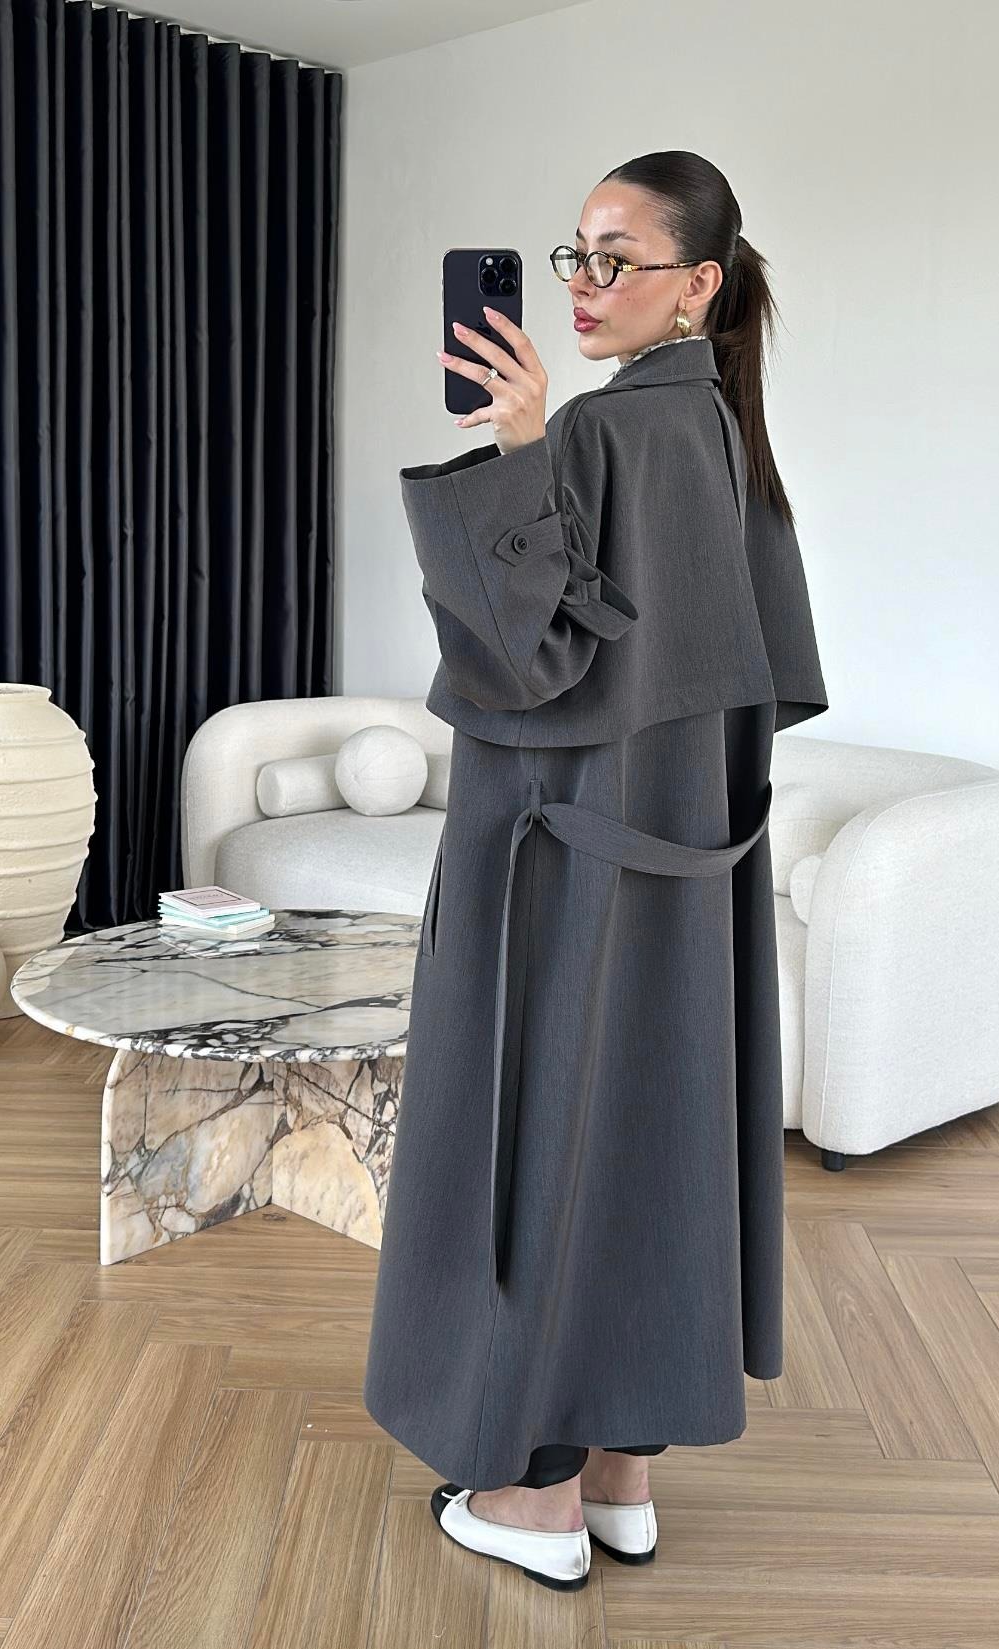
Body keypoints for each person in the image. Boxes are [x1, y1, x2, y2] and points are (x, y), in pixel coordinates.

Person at [362, 149, 828, 1591]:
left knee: (532, 1147)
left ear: (698, 284)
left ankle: (531, 1493)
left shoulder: (600, 435)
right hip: (681, 880)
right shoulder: (725, 438)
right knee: (645, 1142)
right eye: (574, 253)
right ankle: (620, 1474)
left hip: (557, 877)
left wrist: (516, 453)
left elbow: (521, 666)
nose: (580, 284)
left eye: (617, 259)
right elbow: (748, 687)